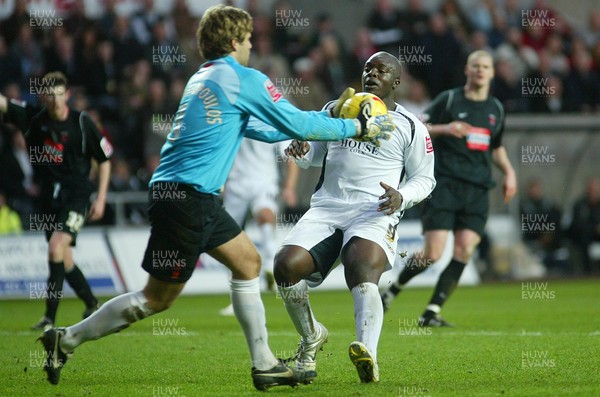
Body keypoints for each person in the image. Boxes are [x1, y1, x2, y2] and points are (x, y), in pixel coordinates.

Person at [36, 5, 395, 390]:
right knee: (155, 299)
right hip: (190, 198)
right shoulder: (242, 78)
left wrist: (327, 125)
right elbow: (295, 123)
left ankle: (264, 364)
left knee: (247, 263)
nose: (253, 45)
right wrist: (355, 125)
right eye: (250, 38)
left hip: (178, 193)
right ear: (235, 40)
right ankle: (68, 338)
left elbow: (265, 128)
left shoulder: (203, 78)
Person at [275, 51, 436, 383]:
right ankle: (311, 338)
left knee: (361, 263)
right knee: (285, 266)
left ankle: (367, 353)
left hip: (372, 212)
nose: (372, 74)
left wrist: (401, 196)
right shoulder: (338, 110)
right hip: (327, 209)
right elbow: (311, 154)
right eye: (367, 68)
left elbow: (426, 178)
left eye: (381, 70)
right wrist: (300, 149)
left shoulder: (411, 126)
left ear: (396, 81)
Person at [380, 50, 517, 326]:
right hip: (444, 185)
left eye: (485, 66)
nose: (480, 70)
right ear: (467, 70)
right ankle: (393, 290)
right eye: (475, 65)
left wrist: (510, 173)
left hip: (477, 189)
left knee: (465, 249)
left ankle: (431, 311)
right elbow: (417, 127)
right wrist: (446, 129)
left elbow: (496, 147)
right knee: (432, 253)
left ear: (492, 73)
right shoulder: (450, 98)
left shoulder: (496, 109)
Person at [0, 72, 110, 330]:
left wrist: (101, 198)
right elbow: (4, 103)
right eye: (50, 94)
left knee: (54, 247)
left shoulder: (82, 122)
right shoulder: (34, 119)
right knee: (64, 259)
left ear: (67, 94)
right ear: (44, 97)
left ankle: (49, 317)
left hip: (77, 194)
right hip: (50, 199)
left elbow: (104, 159)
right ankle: (92, 303)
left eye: (60, 93)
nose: (56, 99)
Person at [219, 138, 299, 316]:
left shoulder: (270, 116)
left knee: (265, 215)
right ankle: (237, 298)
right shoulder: (233, 116)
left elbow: (290, 155)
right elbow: (219, 150)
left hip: (264, 181)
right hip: (235, 185)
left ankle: (270, 264)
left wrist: (289, 187)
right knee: (229, 239)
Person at [566, 177, 600, 274]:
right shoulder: (579, 205)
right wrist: (595, 228)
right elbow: (577, 225)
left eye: (595, 189)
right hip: (584, 237)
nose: (593, 191)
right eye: (591, 189)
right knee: (584, 241)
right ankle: (587, 273)